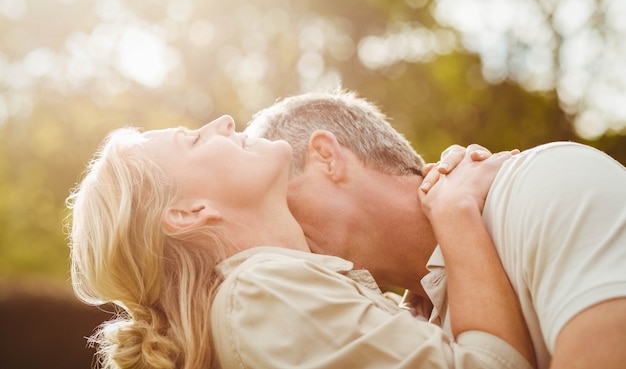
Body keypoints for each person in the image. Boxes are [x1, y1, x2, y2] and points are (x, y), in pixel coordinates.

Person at [66, 114, 534, 369]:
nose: (225, 121)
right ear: (188, 213)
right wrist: (455, 214)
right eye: (194, 140)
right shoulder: (263, 294)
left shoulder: (273, 296)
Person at [245, 88, 626, 369]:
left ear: (327, 157)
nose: (273, 232)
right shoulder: (412, 340)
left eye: (275, 198)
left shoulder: (548, 185)